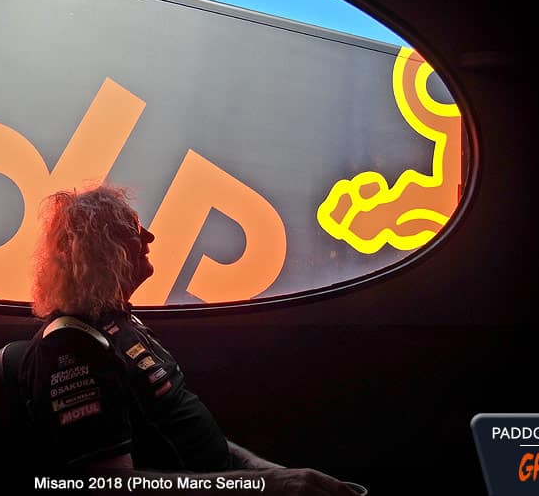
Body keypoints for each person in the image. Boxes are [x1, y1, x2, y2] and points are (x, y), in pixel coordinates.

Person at [18, 184, 360, 495]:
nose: (149, 237)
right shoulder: (70, 347)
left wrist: (266, 472)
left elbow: (187, 429)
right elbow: (111, 485)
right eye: (132, 229)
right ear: (100, 251)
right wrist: (261, 486)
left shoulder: (120, 322)